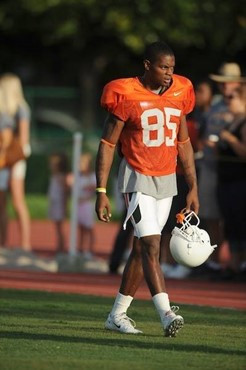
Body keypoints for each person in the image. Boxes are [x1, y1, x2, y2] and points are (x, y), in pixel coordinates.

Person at [95, 41, 199, 337]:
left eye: (172, 68)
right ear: (147, 65)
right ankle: (166, 314)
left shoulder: (181, 91)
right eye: (163, 67)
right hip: (136, 176)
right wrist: (100, 191)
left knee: (142, 249)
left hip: (167, 178)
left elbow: (184, 143)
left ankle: (117, 315)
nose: (169, 73)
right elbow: (107, 145)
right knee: (152, 245)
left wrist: (192, 186)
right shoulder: (125, 93)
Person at [197, 63, 244, 275]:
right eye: (221, 83)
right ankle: (214, 261)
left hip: (235, 172)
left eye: (228, 82)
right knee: (211, 216)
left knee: (235, 218)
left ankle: (234, 261)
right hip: (211, 167)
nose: (225, 87)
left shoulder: (241, 106)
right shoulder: (215, 106)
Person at [216, 85, 246, 279]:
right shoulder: (230, 122)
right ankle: (234, 265)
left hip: (240, 182)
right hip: (226, 181)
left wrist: (229, 139)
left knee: (242, 223)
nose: (227, 102)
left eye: (231, 98)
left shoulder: (243, 124)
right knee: (231, 225)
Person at [0, 73, 32, 252]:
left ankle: (25, 244)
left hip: (16, 158)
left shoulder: (21, 108)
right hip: (2, 158)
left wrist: (14, 161)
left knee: (17, 200)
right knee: (1, 202)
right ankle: (3, 242)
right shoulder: (2, 109)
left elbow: (24, 140)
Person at [48, 153, 69, 254]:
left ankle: (62, 247)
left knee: (60, 228)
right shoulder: (54, 176)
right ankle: (59, 246)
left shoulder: (61, 177)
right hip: (54, 203)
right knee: (57, 227)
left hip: (59, 204)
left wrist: (65, 206)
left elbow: (65, 193)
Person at [77, 153, 96, 259]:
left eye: (82, 163)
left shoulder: (92, 177)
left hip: (87, 206)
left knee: (89, 228)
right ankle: (80, 249)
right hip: (79, 206)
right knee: (80, 228)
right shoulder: (78, 177)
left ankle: (90, 250)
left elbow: (93, 190)